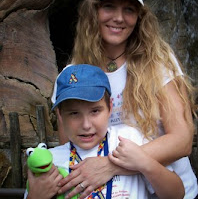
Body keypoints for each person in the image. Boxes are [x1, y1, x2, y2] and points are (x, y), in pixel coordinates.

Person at [51, 0, 198, 199]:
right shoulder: (73, 75)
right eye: (109, 6)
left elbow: (182, 140)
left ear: (139, 17)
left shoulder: (157, 61)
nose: (119, 18)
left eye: (129, 9)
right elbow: (70, 147)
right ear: (93, 10)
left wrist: (112, 166)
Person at [25, 64, 187, 199]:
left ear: (110, 107)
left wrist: (145, 163)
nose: (86, 125)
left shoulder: (129, 139)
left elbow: (177, 194)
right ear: (60, 115)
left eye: (95, 111)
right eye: (74, 113)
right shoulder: (49, 165)